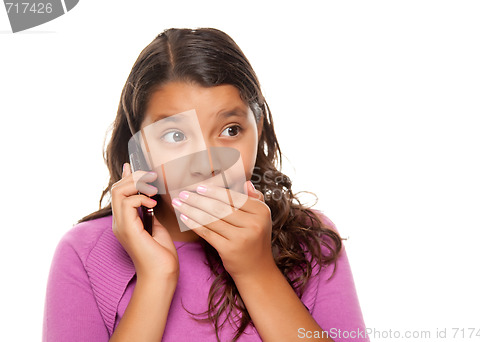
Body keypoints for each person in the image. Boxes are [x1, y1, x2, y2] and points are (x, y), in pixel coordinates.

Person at [42, 28, 369, 342]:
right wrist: (156, 280)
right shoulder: (84, 254)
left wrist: (256, 271)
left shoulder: (311, 242)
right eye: (175, 136)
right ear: (138, 147)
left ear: (257, 130)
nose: (207, 164)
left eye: (230, 130)